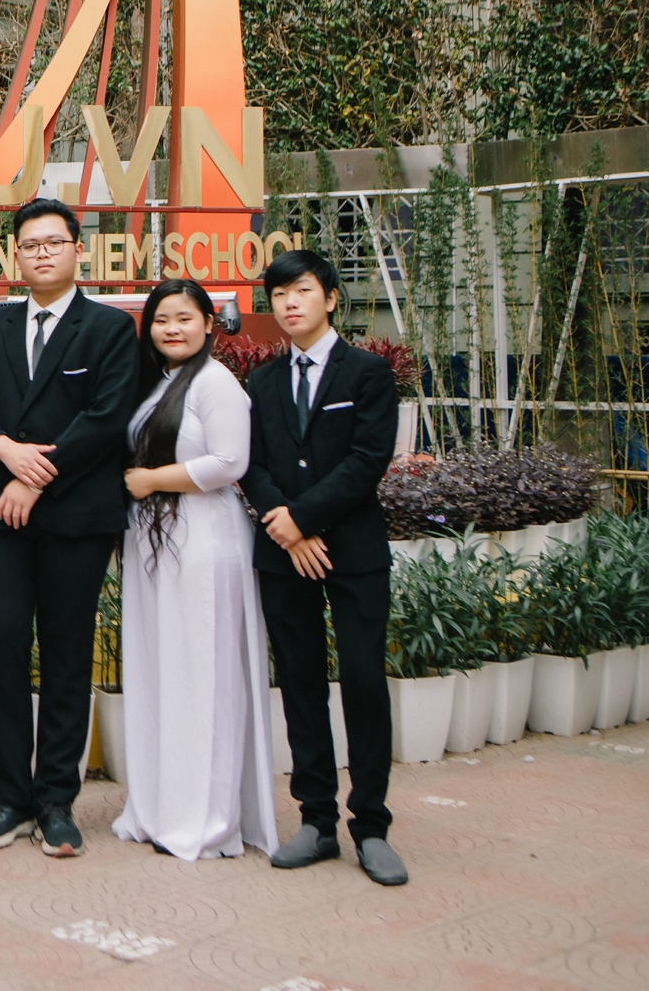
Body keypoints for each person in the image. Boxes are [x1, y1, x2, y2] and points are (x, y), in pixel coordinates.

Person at [0, 197, 137, 858]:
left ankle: (56, 801)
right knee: (0, 648)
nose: (41, 253)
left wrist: (36, 478)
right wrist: (4, 451)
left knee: (67, 655)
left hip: (74, 516)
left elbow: (106, 419)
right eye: (30, 245)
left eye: (53, 243)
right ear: (16, 256)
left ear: (77, 250)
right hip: (0, 516)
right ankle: (8, 798)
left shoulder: (109, 328)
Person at [242, 249, 407, 887]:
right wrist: (281, 522)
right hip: (284, 555)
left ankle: (372, 826)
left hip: (353, 552)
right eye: (280, 294)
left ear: (331, 298)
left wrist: (302, 519)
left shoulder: (367, 373)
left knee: (363, 679)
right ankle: (316, 821)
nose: (290, 303)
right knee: (301, 682)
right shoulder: (261, 382)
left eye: (303, 290)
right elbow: (251, 463)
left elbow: (368, 460)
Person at [110, 278, 278, 862]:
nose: (172, 329)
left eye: (184, 318)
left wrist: (151, 480)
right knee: (162, 671)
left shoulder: (216, 382)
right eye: (161, 319)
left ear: (210, 323)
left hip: (204, 537)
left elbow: (231, 462)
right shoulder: (158, 384)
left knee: (204, 674)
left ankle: (206, 819)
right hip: (155, 540)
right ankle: (160, 806)